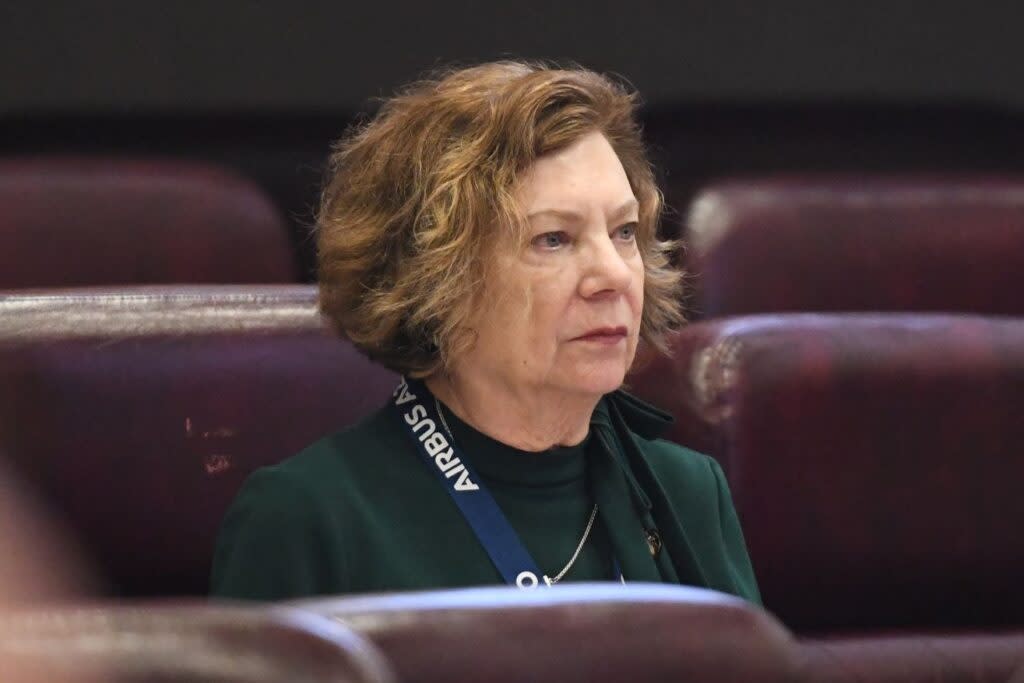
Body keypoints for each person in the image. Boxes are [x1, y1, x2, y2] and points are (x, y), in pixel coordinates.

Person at [210, 61, 760, 602]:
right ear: (437, 279)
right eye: (553, 239)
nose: (615, 275)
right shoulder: (306, 521)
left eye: (624, 231)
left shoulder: (687, 494)